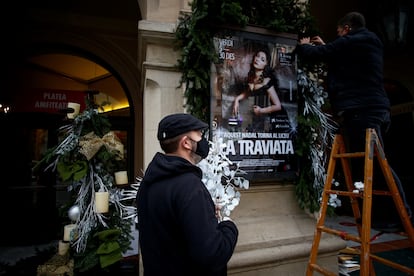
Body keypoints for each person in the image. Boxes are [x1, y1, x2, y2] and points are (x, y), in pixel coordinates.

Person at [295, 11, 413, 228]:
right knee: (369, 165)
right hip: (367, 110)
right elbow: (341, 58)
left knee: (377, 162)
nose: (339, 36)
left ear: (347, 28)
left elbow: (321, 53)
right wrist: (330, 46)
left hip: (364, 111)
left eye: (340, 32)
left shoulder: (360, 40)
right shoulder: (360, 44)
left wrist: (304, 46)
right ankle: (379, 216)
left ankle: (402, 215)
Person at [136, 113, 239, 276]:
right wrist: (227, 225)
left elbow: (171, 229)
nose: (203, 140)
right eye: (199, 134)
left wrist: (206, 213)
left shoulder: (148, 183)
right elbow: (212, 254)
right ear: (186, 143)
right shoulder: (189, 186)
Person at [232, 48, 290, 132]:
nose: (258, 59)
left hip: (275, 118)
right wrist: (237, 99)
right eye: (257, 56)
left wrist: (261, 110)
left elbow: (278, 106)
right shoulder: (252, 77)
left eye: (262, 59)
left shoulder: (266, 81)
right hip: (260, 115)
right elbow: (249, 91)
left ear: (265, 64)